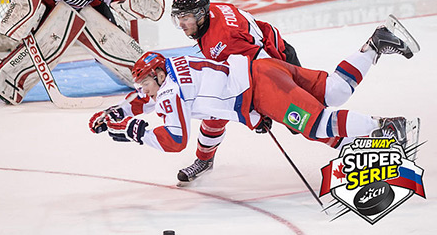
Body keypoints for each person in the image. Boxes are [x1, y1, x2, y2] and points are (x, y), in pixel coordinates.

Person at [88, 21, 418, 184]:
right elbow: (149, 98)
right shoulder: (176, 66)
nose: (143, 89)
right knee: (333, 91)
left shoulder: (171, 92)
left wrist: (133, 129)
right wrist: (115, 112)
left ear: (158, 75)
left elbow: (175, 141)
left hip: (261, 90)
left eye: (145, 81)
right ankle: (375, 44)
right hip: (264, 68)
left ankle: (385, 127)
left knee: (316, 125)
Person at [168, 0, 304, 183]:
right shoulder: (210, 14)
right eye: (178, 17)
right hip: (262, 57)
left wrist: (261, 110)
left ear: (200, 14)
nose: (181, 24)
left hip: (279, 67)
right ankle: (204, 161)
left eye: (185, 17)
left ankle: (350, 144)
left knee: (306, 122)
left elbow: (263, 68)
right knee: (214, 110)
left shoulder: (225, 39)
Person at [0, 0, 164, 104]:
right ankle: (4, 85)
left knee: (113, 40)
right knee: (46, 44)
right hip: (51, 8)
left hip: (92, 7)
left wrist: (133, 0)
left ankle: (146, 76)